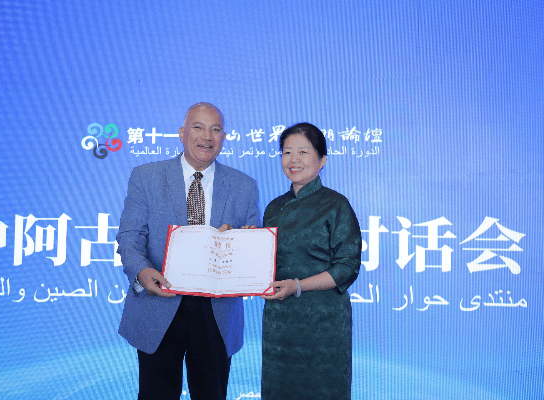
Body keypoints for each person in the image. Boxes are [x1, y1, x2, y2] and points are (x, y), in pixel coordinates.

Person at [116, 102, 260, 400]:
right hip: (159, 303)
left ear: (223, 137)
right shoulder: (146, 176)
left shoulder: (244, 186)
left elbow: (252, 249)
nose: (207, 136)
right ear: (182, 133)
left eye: (215, 129)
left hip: (217, 312)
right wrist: (142, 273)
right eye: (198, 127)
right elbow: (130, 238)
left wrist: (239, 243)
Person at [260, 122, 362, 400]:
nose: (293, 160)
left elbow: (347, 267)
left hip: (323, 323)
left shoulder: (336, 204)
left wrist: (298, 285)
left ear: (322, 160)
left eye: (303, 152)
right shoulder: (274, 207)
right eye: (287, 152)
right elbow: (264, 261)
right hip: (280, 322)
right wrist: (243, 241)